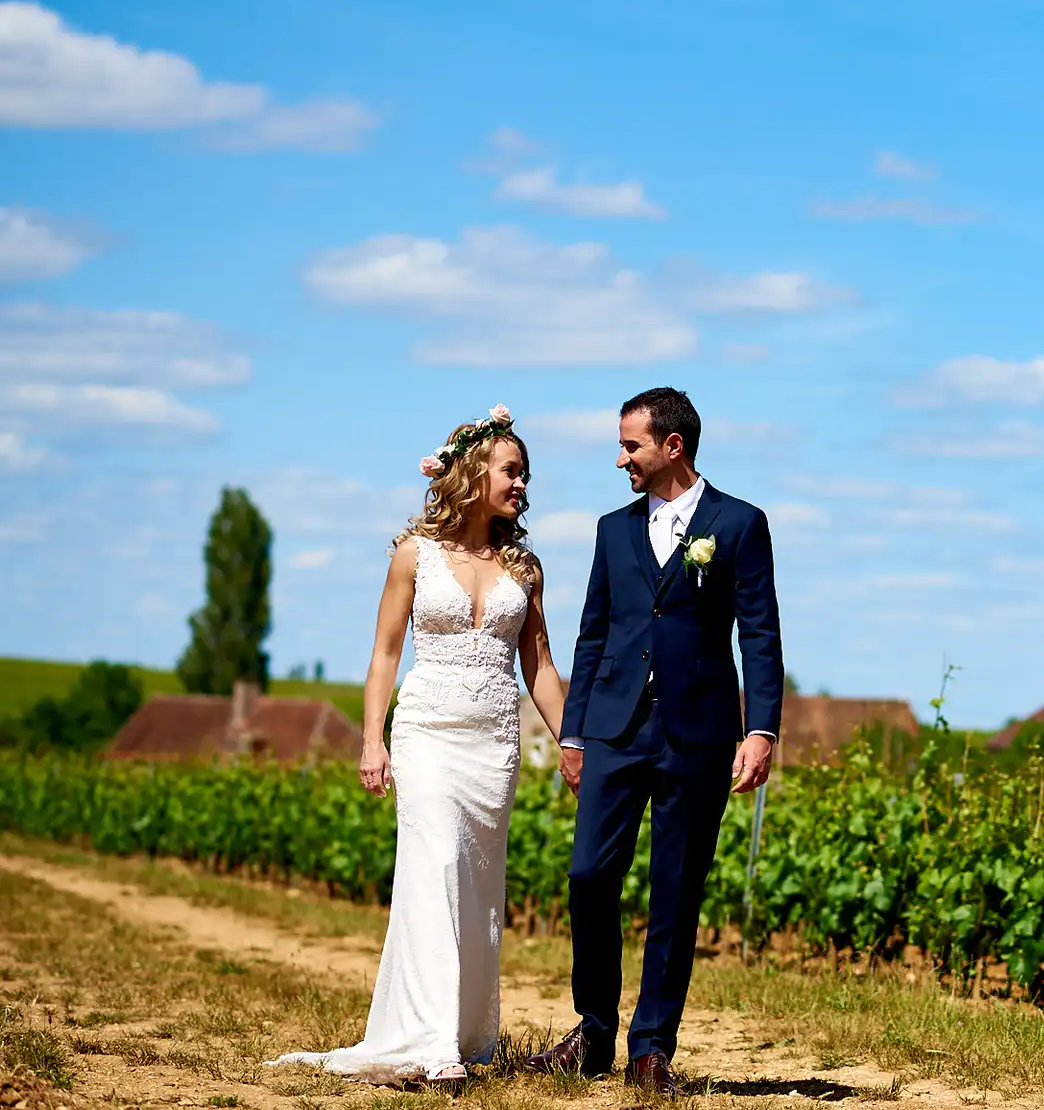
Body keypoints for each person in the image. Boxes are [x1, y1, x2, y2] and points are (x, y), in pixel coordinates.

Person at [272, 405, 567, 1088]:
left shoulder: (525, 567)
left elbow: (541, 667)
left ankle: (464, 1032)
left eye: (526, 474)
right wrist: (370, 739)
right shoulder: (414, 553)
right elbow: (384, 654)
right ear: (473, 472)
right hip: (427, 733)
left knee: (477, 889)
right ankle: (435, 1047)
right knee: (434, 868)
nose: (523, 484)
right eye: (512, 471)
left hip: (494, 742)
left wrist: (573, 739)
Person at [525, 387, 782, 1096]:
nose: (621, 459)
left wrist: (760, 729)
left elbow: (759, 634)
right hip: (612, 729)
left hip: (699, 735)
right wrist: (574, 730)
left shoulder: (740, 524)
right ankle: (594, 1032)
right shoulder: (612, 530)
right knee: (587, 875)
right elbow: (592, 630)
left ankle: (651, 1049)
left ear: (673, 446)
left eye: (631, 445)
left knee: (675, 891)